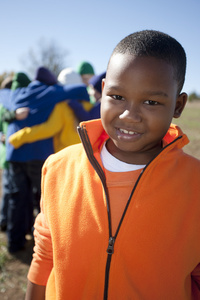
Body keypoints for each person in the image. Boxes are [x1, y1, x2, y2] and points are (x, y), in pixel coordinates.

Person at [25, 30, 200, 299]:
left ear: (177, 105)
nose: (129, 115)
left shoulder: (195, 184)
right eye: (117, 97)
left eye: (151, 102)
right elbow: (46, 254)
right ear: (103, 91)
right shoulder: (58, 168)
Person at [8, 68, 92, 152]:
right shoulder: (90, 105)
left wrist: (19, 137)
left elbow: (49, 129)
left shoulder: (62, 106)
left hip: (66, 153)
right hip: (86, 152)